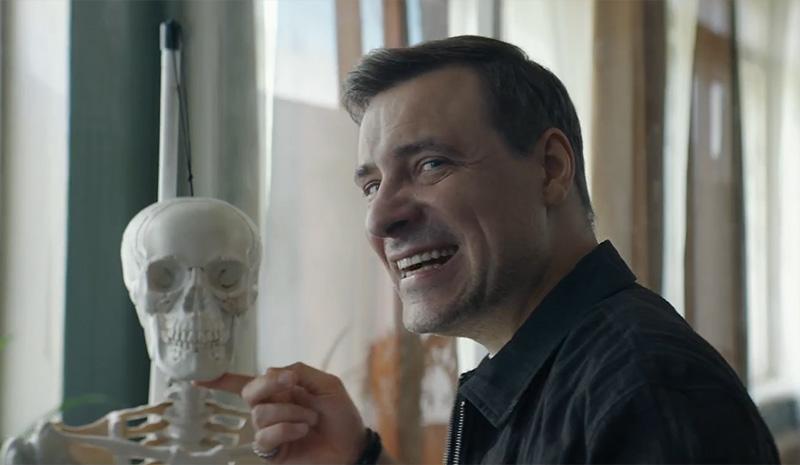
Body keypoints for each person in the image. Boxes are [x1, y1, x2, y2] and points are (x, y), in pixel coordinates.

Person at [201, 36, 780, 464]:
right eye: (372, 185)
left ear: (550, 169)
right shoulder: (548, 372)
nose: (380, 218)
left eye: (431, 164)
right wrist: (355, 458)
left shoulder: (648, 392)